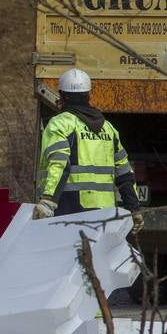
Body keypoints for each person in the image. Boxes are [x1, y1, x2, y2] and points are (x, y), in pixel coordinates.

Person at [33, 68, 143, 228]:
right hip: (104, 214)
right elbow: (125, 173)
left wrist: (48, 200)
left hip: (69, 209)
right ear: (88, 95)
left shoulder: (60, 124)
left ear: (62, 96)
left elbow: (60, 164)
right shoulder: (108, 128)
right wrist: (134, 210)